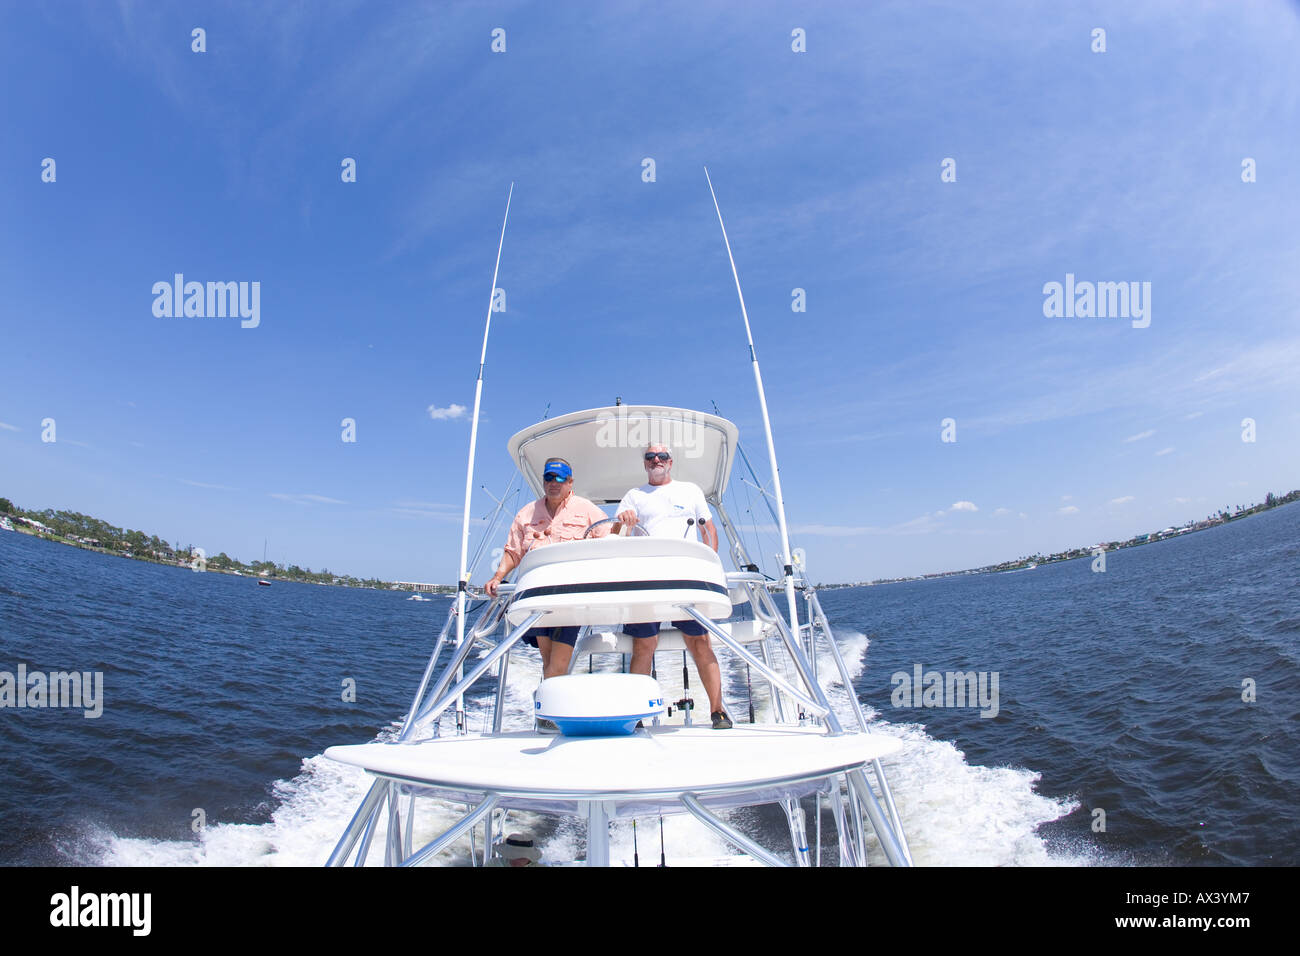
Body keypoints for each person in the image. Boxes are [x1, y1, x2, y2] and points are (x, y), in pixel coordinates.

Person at [614, 444, 732, 730]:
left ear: (671, 462)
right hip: (645, 580)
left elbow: (709, 530)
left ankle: (718, 711)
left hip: (687, 577)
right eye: (651, 457)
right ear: (645, 464)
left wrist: (710, 564)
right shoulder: (633, 496)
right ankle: (636, 714)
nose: (656, 461)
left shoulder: (690, 490)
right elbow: (615, 534)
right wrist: (625, 522)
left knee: (700, 642)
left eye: (662, 457)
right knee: (644, 645)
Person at [485, 458, 609, 684]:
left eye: (560, 478)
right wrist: (497, 577)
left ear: (570, 482)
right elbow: (513, 552)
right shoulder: (527, 513)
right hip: (537, 597)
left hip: (569, 599)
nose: (554, 482)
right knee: (548, 660)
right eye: (549, 477)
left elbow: (610, 539)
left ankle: (547, 714)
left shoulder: (587, 509)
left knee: (558, 664)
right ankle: (548, 711)